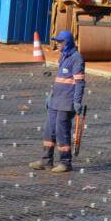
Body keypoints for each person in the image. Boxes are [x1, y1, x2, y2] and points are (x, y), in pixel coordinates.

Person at [29, 30, 85, 174]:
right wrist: (51, 96)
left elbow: (79, 83)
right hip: (56, 101)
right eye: (57, 42)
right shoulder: (63, 57)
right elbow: (58, 80)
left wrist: (77, 102)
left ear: (67, 43)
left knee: (62, 132)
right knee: (50, 131)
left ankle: (65, 163)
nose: (57, 44)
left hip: (66, 103)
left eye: (60, 42)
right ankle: (46, 160)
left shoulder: (76, 59)